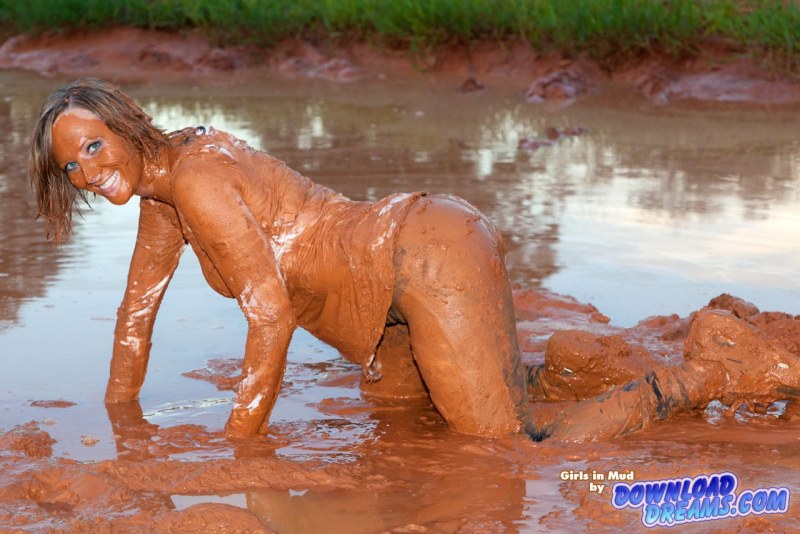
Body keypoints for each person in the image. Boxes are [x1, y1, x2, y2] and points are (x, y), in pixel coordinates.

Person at [30, 78, 800, 441]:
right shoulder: (164, 189)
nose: (88, 171)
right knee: (405, 415)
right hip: (383, 303)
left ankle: (713, 373)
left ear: (128, 124)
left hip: (423, 252)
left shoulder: (194, 180)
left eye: (93, 145)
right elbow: (135, 318)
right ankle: (567, 366)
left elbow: (268, 317)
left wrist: (237, 449)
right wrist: (120, 425)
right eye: (71, 167)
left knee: (509, 453)